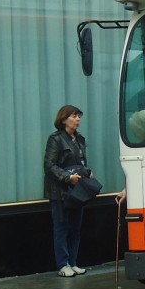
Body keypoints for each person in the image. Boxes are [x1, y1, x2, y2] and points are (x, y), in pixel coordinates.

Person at [44, 104, 90, 277]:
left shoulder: (79, 140)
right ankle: (63, 264)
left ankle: (73, 262)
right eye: (73, 116)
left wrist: (87, 172)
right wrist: (67, 177)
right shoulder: (55, 139)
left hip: (77, 191)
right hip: (60, 192)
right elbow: (49, 165)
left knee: (75, 228)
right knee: (61, 227)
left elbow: (80, 163)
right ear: (63, 119)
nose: (77, 119)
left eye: (79, 116)